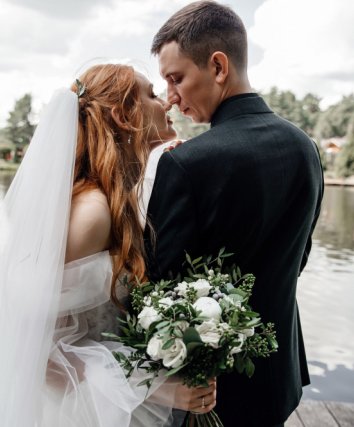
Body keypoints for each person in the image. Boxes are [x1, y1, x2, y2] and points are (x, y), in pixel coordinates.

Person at [0, 64, 215, 427]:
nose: (168, 102)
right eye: (152, 95)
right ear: (123, 117)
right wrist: (157, 388)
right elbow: (35, 352)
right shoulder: (92, 213)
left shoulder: (115, 198)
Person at [143, 2, 324, 426]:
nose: (171, 97)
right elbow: (298, 259)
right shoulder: (306, 148)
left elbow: (159, 287)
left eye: (176, 78)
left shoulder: (186, 164)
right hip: (278, 380)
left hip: (206, 394)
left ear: (218, 67)